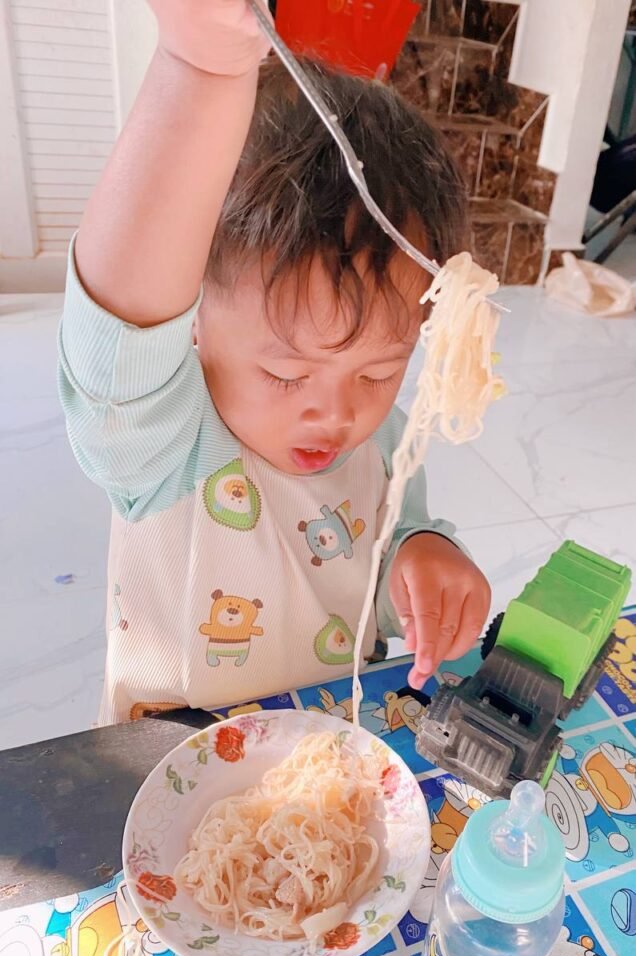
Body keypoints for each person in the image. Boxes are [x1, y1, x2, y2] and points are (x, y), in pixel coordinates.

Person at [58, 0, 491, 725]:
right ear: (194, 320)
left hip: (324, 756)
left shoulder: (380, 441)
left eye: (379, 371)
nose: (338, 410)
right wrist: (198, 70)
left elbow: (385, 564)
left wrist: (422, 558)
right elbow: (120, 333)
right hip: (172, 776)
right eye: (288, 375)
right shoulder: (166, 442)